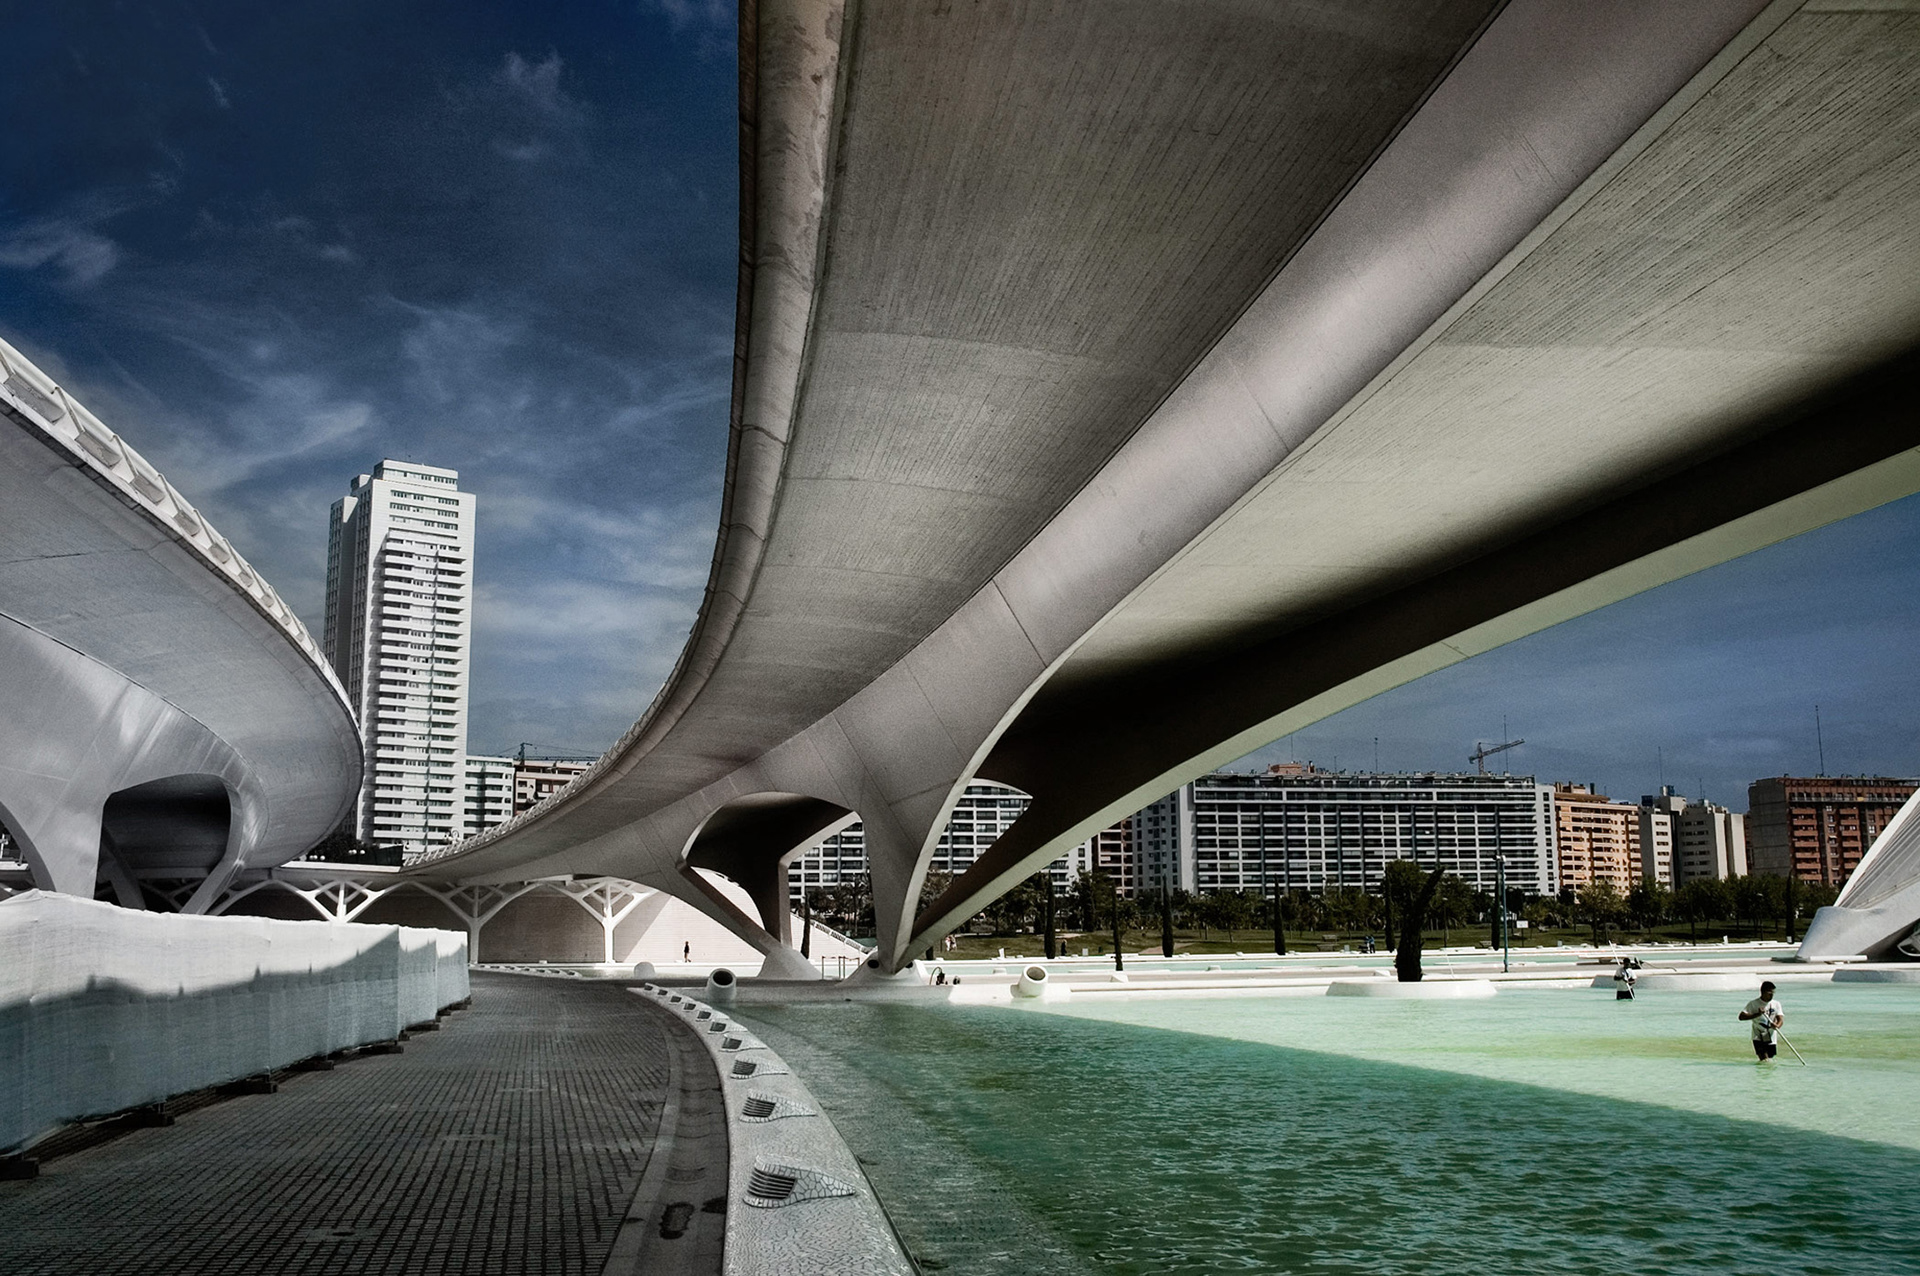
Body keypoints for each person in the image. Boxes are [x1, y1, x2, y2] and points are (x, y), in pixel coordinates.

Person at [1739, 980, 1785, 1061]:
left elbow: (1780, 1018)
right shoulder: (1753, 1004)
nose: (1772, 995)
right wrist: (1757, 1014)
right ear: (1763, 992)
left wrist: (1777, 1025)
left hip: (1771, 1036)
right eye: (1770, 992)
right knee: (1764, 1059)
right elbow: (1741, 1017)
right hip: (1758, 1035)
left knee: (1770, 1059)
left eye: (1773, 992)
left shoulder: (1776, 1004)